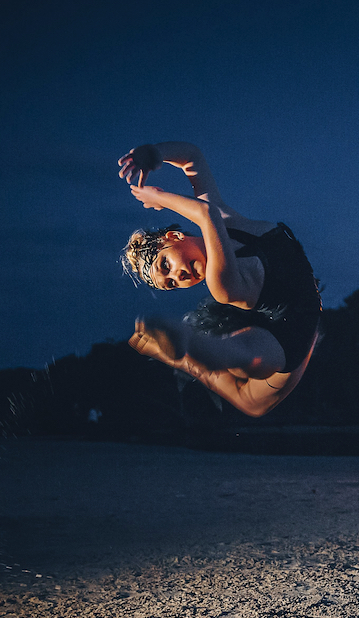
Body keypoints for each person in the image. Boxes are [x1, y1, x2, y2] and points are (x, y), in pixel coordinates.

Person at [120, 142, 321, 417]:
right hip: (286, 337)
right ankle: (183, 342)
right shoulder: (220, 284)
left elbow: (192, 157)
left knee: (251, 402)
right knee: (243, 369)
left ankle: (178, 348)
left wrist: (156, 153)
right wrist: (161, 197)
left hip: (298, 306)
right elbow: (205, 213)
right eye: (170, 284)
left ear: (174, 237)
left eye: (165, 264)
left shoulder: (227, 225)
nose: (177, 277)